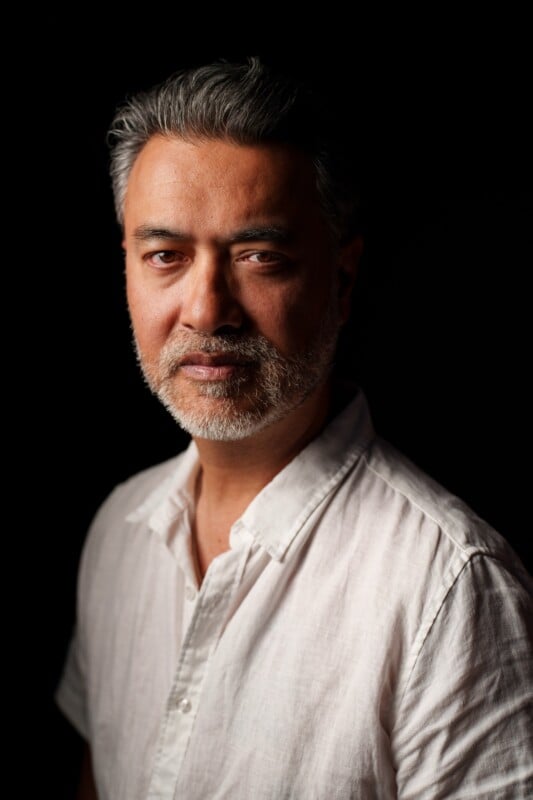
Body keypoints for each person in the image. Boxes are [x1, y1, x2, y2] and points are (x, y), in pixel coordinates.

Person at [55, 56, 533, 799]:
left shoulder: (448, 586)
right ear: (126, 268)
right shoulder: (117, 529)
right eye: (165, 257)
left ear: (339, 282)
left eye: (259, 257)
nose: (207, 309)